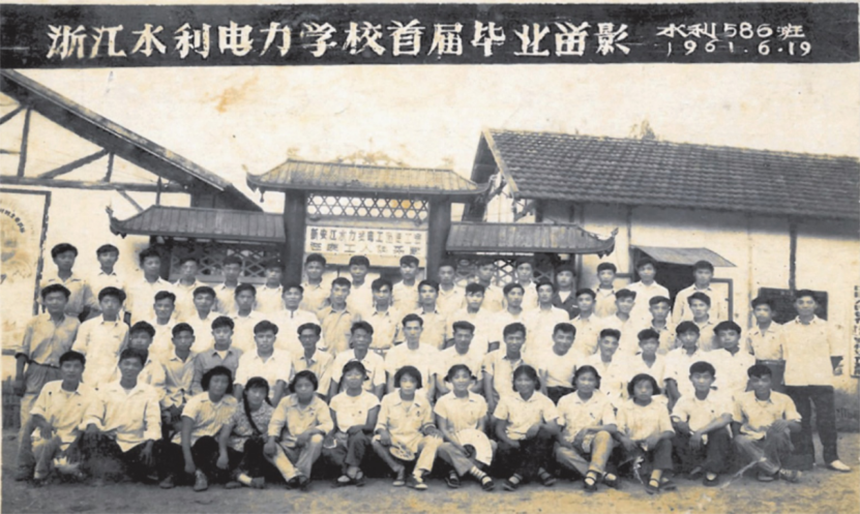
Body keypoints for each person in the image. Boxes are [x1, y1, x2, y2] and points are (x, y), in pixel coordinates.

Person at [13, 284, 80, 481]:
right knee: (28, 419)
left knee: (56, 419)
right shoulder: (34, 322)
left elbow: (76, 353)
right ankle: (24, 466)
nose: (55, 302)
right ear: (44, 301)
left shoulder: (74, 324)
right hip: (36, 370)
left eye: (59, 298)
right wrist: (19, 377)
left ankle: (50, 465)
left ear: (66, 301)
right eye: (50, 298)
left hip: (61, 372)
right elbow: (23, 350)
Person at [781, 290, 851, 472]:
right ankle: (807, 458)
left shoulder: (827, 327)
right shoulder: (786, 328)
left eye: (809, 302)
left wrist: (822, 370)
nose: (805, 306)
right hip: (795, 379)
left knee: (826, 419)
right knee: (800, 420)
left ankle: (832, 458)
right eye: (801, 302)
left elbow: (836, 355)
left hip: (821, 379)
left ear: (816, 305)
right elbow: (783, 354)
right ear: (795, 305)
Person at [80, 349, 161, 484]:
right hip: (111, 440)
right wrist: (93, 424)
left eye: (135, 365)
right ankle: (111, 471)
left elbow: (153, 420)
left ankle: (124, 471)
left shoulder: (149, 391)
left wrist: (149, 444)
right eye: (126, 364)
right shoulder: (105, 389)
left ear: (141, 368)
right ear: (119, 365)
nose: (130, 368)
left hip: (136, 442)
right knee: (91, 435)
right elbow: (93, 413)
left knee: (158, 448)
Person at [156, 366, 239, 490]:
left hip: (208, 444)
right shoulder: (195, 402)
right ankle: (177, 474)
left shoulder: (232, 403)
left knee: (207, 442)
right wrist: (188, 461)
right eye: (216, 381)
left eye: (224, 382)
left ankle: (200, 474)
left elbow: (225, 432)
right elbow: (185, 434)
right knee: (167, 449)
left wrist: (223, 453)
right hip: (186, 443)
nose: (219, 385)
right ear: (208, 382)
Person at [26, 351, 97, 485]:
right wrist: (44, 424)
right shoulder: (50, 387)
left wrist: (74, 445)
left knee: (67, 467)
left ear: (83, 369)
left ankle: (57, 467)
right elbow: (36, 413)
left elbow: (89, 420)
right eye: (67, 366)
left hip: (71, 440)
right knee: (45, 443)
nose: (71, 370)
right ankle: (40, 475)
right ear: (60, 368)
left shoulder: (90, 392)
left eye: (76, 366)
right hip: (48, 435)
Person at [372, 366, 443, 490]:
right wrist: (383, 432)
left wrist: (431, 430)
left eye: (412, 381)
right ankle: (398, 469)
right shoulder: (388, 399)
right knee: (375, 440)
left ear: (417, 384)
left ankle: (416, 475)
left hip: (415, 441)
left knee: (436, 439)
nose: (408, 385)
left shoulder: (423, 401)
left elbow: (427, 424)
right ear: (398, 382)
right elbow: (381, 423)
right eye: (404, 381)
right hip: (394, 441)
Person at [493, 364, 560, 490]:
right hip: (514, 442)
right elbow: (499, 429)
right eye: (519, 380)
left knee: (544, 435)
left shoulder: (544, 400)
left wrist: (539, 425)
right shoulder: (507, 399)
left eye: (527, 380)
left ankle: (517, 476)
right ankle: (540, 471)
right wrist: (510, 442)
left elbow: (554, 428)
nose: (523, 383)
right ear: (514, 382)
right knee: (504, 449)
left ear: (535, 381)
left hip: (534, 442)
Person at [732, 364, 802, 483]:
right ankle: (775, 470)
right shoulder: (741, 399)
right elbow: (736, 423)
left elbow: (798, 427)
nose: (760, 384)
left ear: (771, 381)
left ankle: (765, 468)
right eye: (755, 380)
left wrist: (787, 423)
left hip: (776, 442)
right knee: (739, 439)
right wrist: (738, 444)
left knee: (775, 431)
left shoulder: (784, 399)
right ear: (750, 382)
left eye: (765, 380)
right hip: (753, 442)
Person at [554, 365, 619, 492]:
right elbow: (558, 427)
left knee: (604, 435)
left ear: (596, 382)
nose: (586, 383)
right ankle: (599, 474)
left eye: (590, 380)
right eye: (583, 379)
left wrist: (590, 428)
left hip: (593, 445)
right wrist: (564, 442)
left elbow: (612, 427)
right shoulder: (565, 400)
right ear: (576, 381)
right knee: (560, 452)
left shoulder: (603, 400)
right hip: (572, 444)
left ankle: (591, 476)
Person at [265, 370, 333, 490]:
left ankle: (301, 475)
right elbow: (276, 422)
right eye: (299, 386)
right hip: (288, 446)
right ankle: (292, 475)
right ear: (294, 388)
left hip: (307, 449)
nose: (303, 389)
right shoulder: (286, 401)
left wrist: (308, 432)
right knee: (267, 446)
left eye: (307, 385)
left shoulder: (320, 404)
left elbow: (328, 424)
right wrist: (271, 440)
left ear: (314, 387)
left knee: (317, 438)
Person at [670, 361, 733, 486]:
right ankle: (696, 466)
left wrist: (700, 432)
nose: (701, 381)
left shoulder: (722, 397)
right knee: (676, 433)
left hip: (715, 442)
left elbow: (726, 418)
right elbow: (675, 417)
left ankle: (711, 471)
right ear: (690, 379)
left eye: (706, 377)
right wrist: (680, 423)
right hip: (694, 441)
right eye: (697, 377)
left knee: (720, 432)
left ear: (713, 380)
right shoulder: (685, 398)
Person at [435, 364, 495, 491]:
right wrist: (458, 445)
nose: (461, 380)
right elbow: (443, 429)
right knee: (442, 448)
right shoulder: (443, 401)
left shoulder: (479, 400)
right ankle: (479, 474)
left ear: (470, 380)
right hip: (453, 442)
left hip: (474, 442)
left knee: (492, 445)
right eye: (456, 377)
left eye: (464, 377)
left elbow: (481, 425)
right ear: (450, 381)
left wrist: (475, 443)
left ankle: (455, 472)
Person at [615, 373, 675, 495]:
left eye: (648, 387)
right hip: (633, 446)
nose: (643, 390)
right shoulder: (624, 408)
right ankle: (660, 476)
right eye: (639, 387)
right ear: (633, 389)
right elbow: (618, 430)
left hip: (653, 446)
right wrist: (624, 439)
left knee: (666, 442)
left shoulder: (660, 407)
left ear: (653, 390)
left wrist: (658, 436)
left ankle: (654, 479)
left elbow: (669, 431)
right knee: (640, 469)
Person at [324, 361, 381, 487]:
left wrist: (358, 427)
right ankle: (354, 472)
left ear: (364, 377)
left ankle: (349, 473)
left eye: (357, 374)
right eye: (349, 375)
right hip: (342, 435)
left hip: (363, 436)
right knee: (329, 448)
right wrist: (330, 436)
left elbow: (371, 425)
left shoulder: (371, 399)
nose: (353, 378)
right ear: (343, 378)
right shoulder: (336, 400)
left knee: (357, 438)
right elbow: (333, 425)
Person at [218, 377, 275, 489]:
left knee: (254, 443)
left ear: (266, 395)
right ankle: (245, 479)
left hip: (256, 449)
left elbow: (275, 432)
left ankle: (243, 477)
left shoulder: (271, 412)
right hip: (236, 447)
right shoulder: (235, 409)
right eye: (254, 391)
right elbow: (224, 435)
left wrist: (266, 436)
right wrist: (223, 454)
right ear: (246, 392)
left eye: (262, 392)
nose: (257, 395)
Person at [72, 286, 130, 389]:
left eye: (114, 302)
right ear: (100, 304)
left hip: (112, 377)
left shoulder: (124, 328)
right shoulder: (87, 325)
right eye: (106, 301)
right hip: (88, 376)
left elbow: (122, 353)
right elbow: (78, 352)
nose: (110, 305)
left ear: (120, 306)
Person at [234, 321, 293, 407]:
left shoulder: (284, 356)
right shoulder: (246, 357)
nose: (265, 340)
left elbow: (281, 383)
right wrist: (236, 407)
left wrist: (270, 408)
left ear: (274, 339)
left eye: (269, 336)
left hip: (276, 403)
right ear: (255, 339)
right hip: (250, 404)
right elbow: (240, 384)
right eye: (261, 336)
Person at [385, 314, 438, 402]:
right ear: (403, 330)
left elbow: (432, 380)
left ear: (421, 330)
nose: (412, 332)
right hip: (399, 398)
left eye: (416, 328)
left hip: (423, 398)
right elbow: (391, 380)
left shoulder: (431, 352)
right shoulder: (393, 352)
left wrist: (428, 401)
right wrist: (393, 401)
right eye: (409, 328)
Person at [482, 322, 531, 415]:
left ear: (524, 340)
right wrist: (491, 404)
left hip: (521, 407)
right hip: (497, 405)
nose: (514, 342)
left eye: (518, 339)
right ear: (504, 339)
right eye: (511, 338)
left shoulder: (528, 361)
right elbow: (487, 382)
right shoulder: (492, 357)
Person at [329, 322, 387, 399]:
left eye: (365, 337)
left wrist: (375, 404)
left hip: (367, 400)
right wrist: (334, 403)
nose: (361, 340)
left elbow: (379, 386)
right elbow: (334, 383)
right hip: (344, 399)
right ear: (352, 338)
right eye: (358, 336)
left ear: (370, 340)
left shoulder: (377, 359)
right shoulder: (342, 357)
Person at [41, 243, 98, 320]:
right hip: (51, 319)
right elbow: (42, 303)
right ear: (55, 260)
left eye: (70, 257)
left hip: (74, 318)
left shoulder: (82, 282)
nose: (67, 260)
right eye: (63, 257)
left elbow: (90, 303)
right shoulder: (47, 281)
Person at [160, 323, 197, 441]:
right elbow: (158, 387)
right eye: (179, 338)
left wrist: (191, 405)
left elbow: (198, 384)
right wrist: (171, 406)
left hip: (193, 403)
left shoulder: (198, 358)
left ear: (193, 339)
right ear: (173, 340)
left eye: (187, 337)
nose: (183, 341)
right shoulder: (163, 359)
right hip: (170, 405)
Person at [664, 321, 713, 407]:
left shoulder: (706, 356)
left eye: (691, 334)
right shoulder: (672, 355)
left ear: (698, 336)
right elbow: (670, 380)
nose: (688, 338)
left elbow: (709, 381)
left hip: (702, 400)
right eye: (684, 335)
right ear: (679, 337)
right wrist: (680, 400)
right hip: (679, 398)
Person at [190, 316, 243, 396]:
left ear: (231, 333)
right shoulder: (202, 356)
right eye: (218, 332)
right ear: (213, 333)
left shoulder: (240, 355)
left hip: (232, 398)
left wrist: (235, 400)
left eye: (225, 331)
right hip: (208, 398)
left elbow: (242, 382)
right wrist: (203, 399)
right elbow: (196, 382)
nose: (221, 335)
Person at [745, 296, 786, 391]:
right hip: (758, 369)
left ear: (773, 313)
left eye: (766, 310)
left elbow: (787, 355)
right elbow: (749, 354)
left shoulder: (782, 331)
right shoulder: (751, 333)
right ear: (753, 313)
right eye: (758, 310)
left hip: (777, 370)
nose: (761, 313)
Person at [435, 321, 486, 396]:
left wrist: (463, 396)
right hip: (447, 398)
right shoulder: (442, 356)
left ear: (472, 336)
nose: (463, 339)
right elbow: (441, 385)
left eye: (466, 336)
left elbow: (479, 385)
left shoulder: (480, 357)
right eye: (459, 335)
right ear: (454, 335)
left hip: (471, 398)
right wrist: (453, 397)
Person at [536, 323, 583, 404]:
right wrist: (547, 402)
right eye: (561, 337)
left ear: (573, 340)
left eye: (568, 338)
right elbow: (542, 380)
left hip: (570, 393)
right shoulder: (544, 354)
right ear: (553, 337)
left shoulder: (578, 356)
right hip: (549, 391)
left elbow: (579, 381)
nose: (564, 341)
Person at [708, 321, 755, 398]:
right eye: (722, 335)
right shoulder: (710, 357)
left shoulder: (750, 358)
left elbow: (751, 383)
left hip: (742, 397)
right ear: (718, 338)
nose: (727, 338)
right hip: (718, 397)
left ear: (739, 336)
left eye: (731, 334)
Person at [127, 247, 174, 324]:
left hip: (160, 328)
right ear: (142, 265)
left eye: (157, 263)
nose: (154, 266)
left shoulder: (168, 287)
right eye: (150, 263)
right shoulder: (133, 287)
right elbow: (128, 311)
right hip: (138, 327)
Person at [581, 329, 628, 404]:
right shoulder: (588, 362)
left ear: (617, 346)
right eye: (606, 342)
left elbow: (625, 393)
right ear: (599, 343)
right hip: (593, 405)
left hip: (616, 405)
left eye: (614, 343)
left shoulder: (622, 365)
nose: (610, 347)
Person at [447, 283, 497, 354]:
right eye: (471, 296)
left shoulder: (490, 317)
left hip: (481, 356)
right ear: (465, 297)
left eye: (478, 296)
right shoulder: (456, 315)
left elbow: (494, 342)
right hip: (458, 356)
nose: (474, 299)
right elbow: (451, 340)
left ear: (483, 297)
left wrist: (489, 358)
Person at [524, 280, 570, 355]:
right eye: (541, 291)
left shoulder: (562, 314)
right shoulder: (529, 315)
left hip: (554, 355)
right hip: (533, 354)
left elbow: (566, 337)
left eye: (548, 291)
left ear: (553, 294)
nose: (544, 294)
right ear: (537, 294)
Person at [273, 283, 320, 355]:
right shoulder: (273, 317)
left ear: (301, 297)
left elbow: (318, 338)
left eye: (296, 294)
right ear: (283, 296)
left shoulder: (310, 317)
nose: (292, 297)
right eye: (289, 294)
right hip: (279, 355)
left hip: (303, 355)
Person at [317, 277, 360, 354]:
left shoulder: (355, 315)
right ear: (331, 291)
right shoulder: (321, 314)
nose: (339, 294)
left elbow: (357, 338)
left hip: (345, 356)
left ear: (348, 293)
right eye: (336, 290)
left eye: (344, 290)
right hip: (325, 355)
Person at [292, 323, 334, 399]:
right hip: (297, 399)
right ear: (300, 339)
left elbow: (323, 388)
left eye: (311, 337)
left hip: (318, 400)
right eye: (304, 337)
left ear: (317, 338)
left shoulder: (327, 358)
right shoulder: (294, 357)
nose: (307, 340)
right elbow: (292, 383)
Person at [626, 257, 670, 326]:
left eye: (649, 269)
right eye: (642, 269)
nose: (646, 272)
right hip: (633, 325)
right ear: (638, 271)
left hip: (654, 326)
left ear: (655, 271)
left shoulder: (662, 290)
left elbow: (666, 311)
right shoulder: (630, 288)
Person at [364, 278, 402, 356]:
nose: (381, 295)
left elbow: (400, 340)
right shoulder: (365, 314)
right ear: (373, 293)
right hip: (369, 354)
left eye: (385, 292)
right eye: (378, 292)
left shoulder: (397, 315)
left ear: (390, 293)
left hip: (390, 354)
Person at [90, 244, 127, 321]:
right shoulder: (89, 277)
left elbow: (125, 301)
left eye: (112, 255)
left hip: (116, 317)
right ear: (98, 258)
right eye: (105, 255)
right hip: (94, 316)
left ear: (116, 258)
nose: (108, 258)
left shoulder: (122, 278)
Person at [600, 288, 641, 356]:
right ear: (616, 303)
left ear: (633, 304)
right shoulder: (604, 323)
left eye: (629, 301)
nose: (625, 304)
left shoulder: (639, 325)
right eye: (622, 301)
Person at [411, 280, 448, 349]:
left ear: (437, 294)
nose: (427, 294)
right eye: (424, 291)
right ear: (419, 295)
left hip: (439, 353)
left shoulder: (445, 316)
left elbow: (450, 340)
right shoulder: (414, 316)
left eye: (431, 291)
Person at [229, 284, 264, 354]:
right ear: (236, 298)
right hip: (233, 355)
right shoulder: (229, 318)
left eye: (249, 297)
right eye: (242, 297)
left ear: (254, 298)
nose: (245, 300)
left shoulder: (261, 318)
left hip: (254, 356)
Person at [184, 286, 219, 352]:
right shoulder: (188, 322)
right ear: (194, 301)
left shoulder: (220, 320)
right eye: (199, 298)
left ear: (213, 301)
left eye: (208, 299)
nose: (203, 301)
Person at [570, 288, 601, 355]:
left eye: (587, 300)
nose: (584, 303)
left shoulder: (600, 325)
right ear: (576, 303)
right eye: (580, 300)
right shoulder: (571, 324)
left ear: (593, 302)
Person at [148, 291, 179, 357]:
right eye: (159, 306)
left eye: (167, 306)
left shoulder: (178, 328)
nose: (162, 309)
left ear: (173, 307)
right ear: (154, 306)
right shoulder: (147, 327)